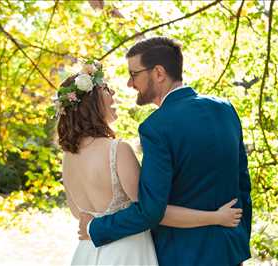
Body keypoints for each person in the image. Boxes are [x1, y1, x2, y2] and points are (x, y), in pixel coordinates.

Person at [78, 37, 252, 266]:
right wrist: (239, 240)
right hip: (230, 252)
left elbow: (151, 210)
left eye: (134, 74)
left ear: (158, 73)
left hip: (182, 257)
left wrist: (95, 227)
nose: (130, 84)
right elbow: (243, 186)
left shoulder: (156, 127)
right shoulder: (225, 110)